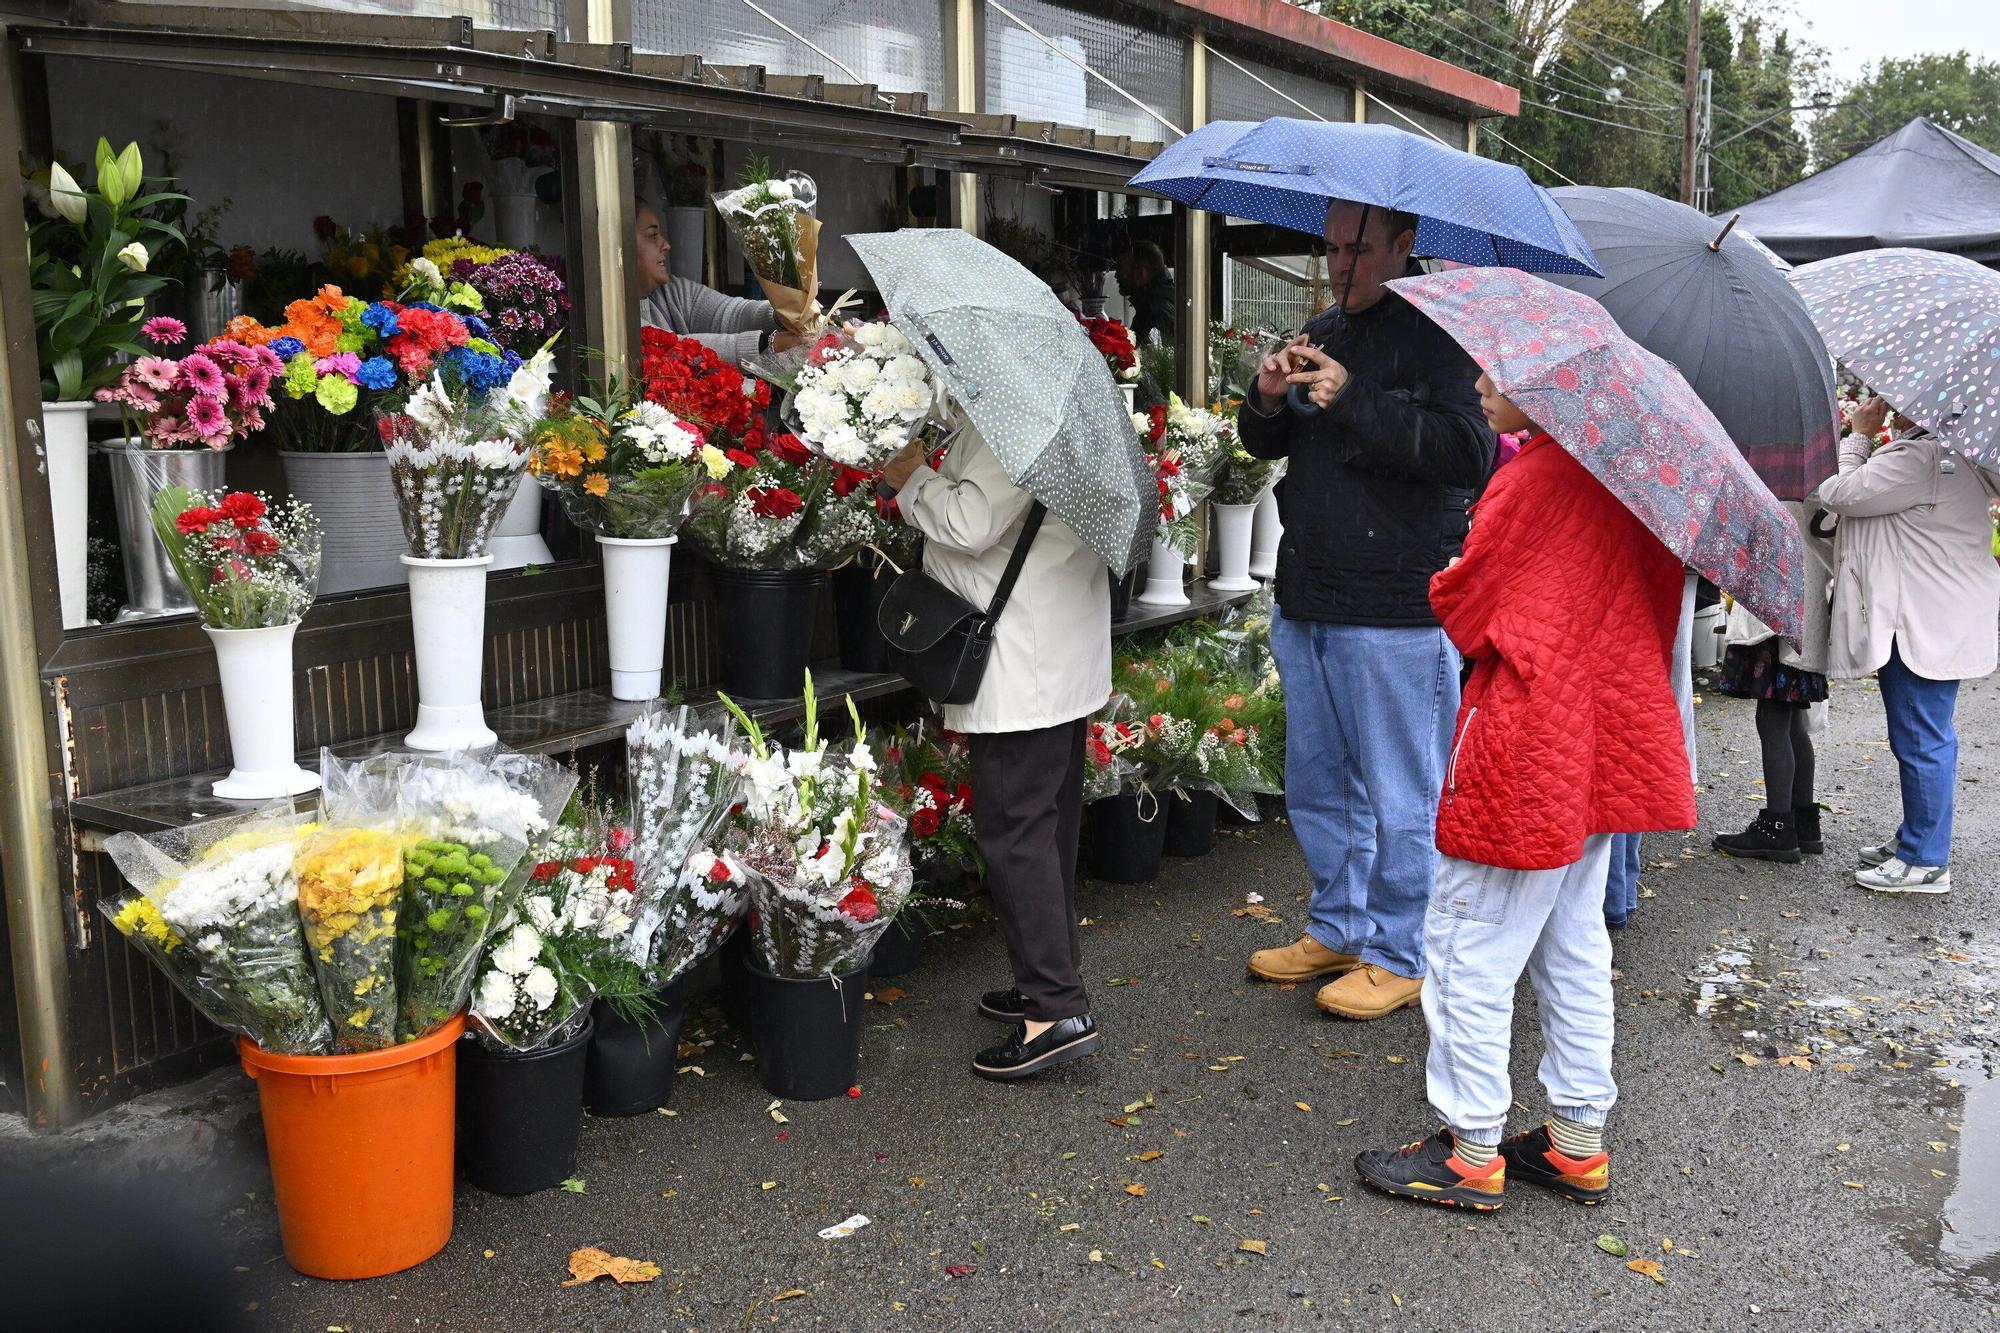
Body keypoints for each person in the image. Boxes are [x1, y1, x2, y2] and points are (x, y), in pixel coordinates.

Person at [1354, 374, 1693, 1211]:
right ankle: (1576, 1143)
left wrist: (1451, 571)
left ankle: (1470, 1151)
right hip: (1604, 732)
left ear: (1553, 391)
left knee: (1468, 938)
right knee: (1572, 939)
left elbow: (1467, 606)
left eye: (1498, 374)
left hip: (1533, 735)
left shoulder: (1535, 476)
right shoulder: (1631, 482)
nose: (1475, 383)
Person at [1237, 199, 1493, 1021]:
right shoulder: (1323, 327)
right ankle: (1340, 924)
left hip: (1395, 604)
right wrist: (1269, 398)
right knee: (1317, 782)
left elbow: (1467, 451)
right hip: (1309, 590)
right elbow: (1267, 443)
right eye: (1332, 246)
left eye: (1358, 247)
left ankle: (1401, 947)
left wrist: (1351, 397)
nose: (1340, 263)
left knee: (1401, 789)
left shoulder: (1441, 335)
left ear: (1404, 245)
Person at [881, 416, 1112, 1081]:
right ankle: (1049, 976)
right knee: (1047, 825)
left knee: (1014, 828)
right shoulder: (1062, 411)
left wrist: (911, 478)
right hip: (1057, 642)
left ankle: (1055, 1009)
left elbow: (972, 521)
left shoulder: (1017, 422)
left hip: (1023, 655)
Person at [1816, 395, 2000, 894]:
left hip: (1917, 621)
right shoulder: (1959, 457)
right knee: (1926, 733)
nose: (1887, 406)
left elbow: (1838, 493)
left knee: (1920, 737)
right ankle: (1916, 841)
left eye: (1895, 400)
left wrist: (1857, 435)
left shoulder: (1917, 458)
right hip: (1937, 616)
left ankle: (1924, 860)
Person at [1710, 502, 1836, 862]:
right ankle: (1803, 822)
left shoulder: (1773, 491)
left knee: (1773, 721)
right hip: (1806, 614)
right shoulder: (1820, 487)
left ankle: (1778, 827)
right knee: (1792, 721)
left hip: (1775, 614)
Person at [1604, 571, 1700, 926]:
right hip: (1661, 592)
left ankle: (1612, 894)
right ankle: (1620, 891)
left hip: (1613, 600)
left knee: (1614, 749)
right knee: (1633, 745)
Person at [633, 200, 800, 367]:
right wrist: (766, 345)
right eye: (652, 235)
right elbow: (669, 348)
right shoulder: (614, 319)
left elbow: (729, 314)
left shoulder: (673, 291)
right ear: (622, 243)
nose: (665, 245)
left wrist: (781, 312)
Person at [1112, 240, 1177, 347]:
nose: (1116, 275)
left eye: (1120, 268)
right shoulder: (1160, 302)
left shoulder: (1154, 312)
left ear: (1141, 273)